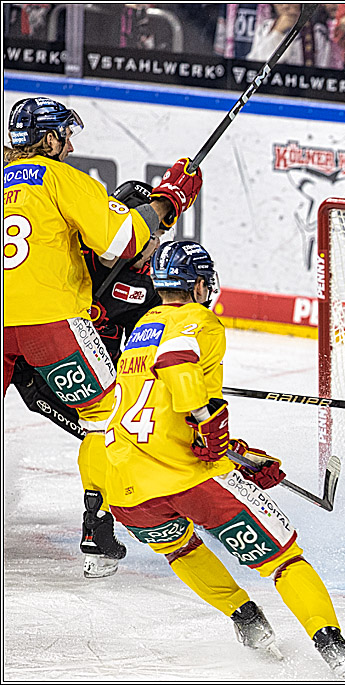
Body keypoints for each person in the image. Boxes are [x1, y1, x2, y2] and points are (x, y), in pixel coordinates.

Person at [103, 241, 345, 675]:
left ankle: (246, 619)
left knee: (180, 549)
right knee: (284, 560)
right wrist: (208, 423)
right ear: (197, 285)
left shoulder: (141, 329)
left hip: (125, 483)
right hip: (188, 477)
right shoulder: (198, 319)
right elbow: (176, 365)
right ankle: (335, 648)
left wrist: (239, 454)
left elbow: (159, 416)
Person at [3, 96, 201, 578]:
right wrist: (169, 201)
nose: (70, 146)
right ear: (49, 138)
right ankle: (97, 530)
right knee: (107, 420)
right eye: (66, 136)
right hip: (49, 321)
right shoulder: (58, 178)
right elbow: (123, 239)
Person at [9, 180, 162, 443]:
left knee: (118, 437)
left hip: (94, 379)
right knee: (112, 437)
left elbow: (146, 344)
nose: (158, 245)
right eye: (154, 235)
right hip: (39, 371)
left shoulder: (147, 286)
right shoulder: (74, 253)